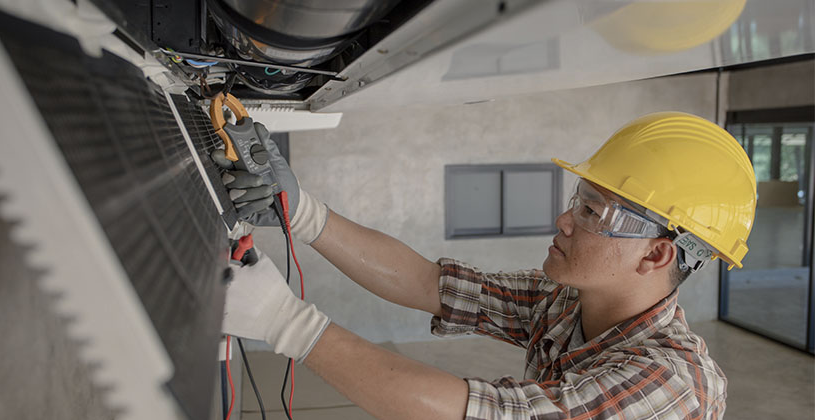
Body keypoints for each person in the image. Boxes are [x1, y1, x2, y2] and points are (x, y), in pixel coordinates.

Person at [217, 111, 756, 420]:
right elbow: (435, 285)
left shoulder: (674, 382)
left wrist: (285, 323)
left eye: (592, 211)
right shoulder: (566, 302)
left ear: (657, 252)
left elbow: (492, 415)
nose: (564, 220)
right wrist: (304, 212)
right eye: (578, 198)